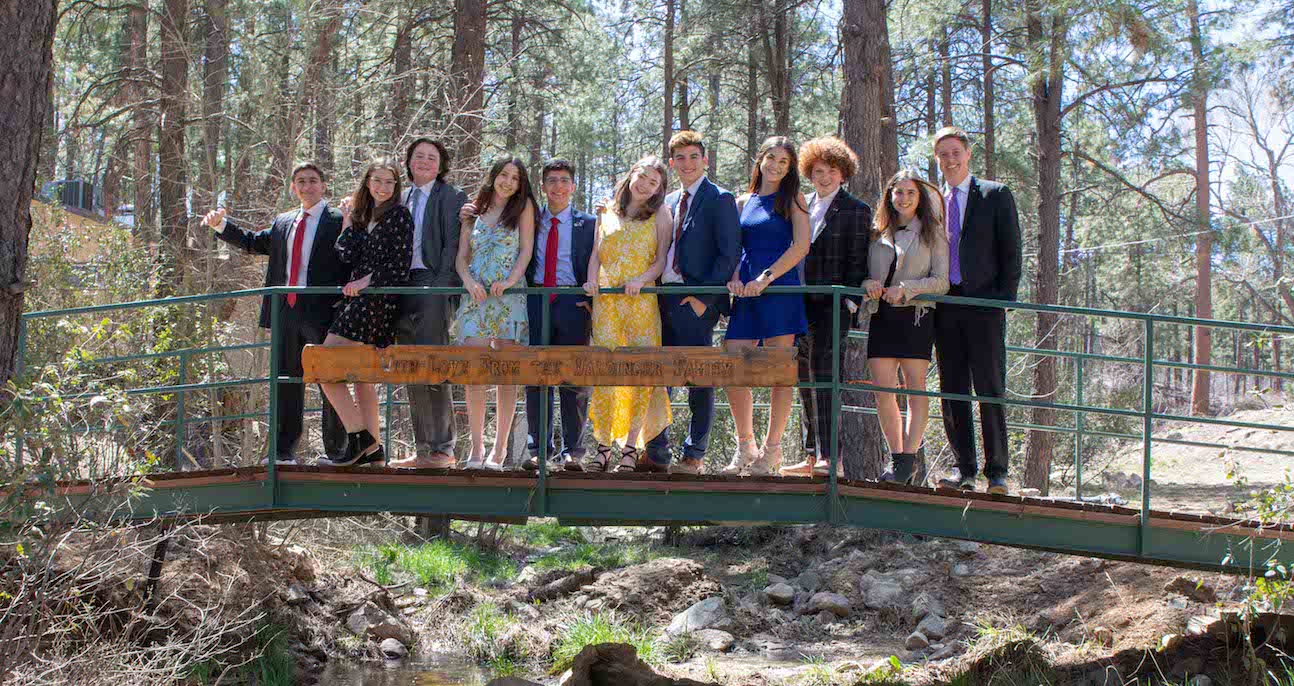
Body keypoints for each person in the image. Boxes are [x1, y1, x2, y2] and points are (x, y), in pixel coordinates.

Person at [203, 162, 348, 466]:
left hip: (324, 312)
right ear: (293, 188)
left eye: (313, 181)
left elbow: (353, 254)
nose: (307, 186)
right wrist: (221, 226)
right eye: (300, 182)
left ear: (323, 186)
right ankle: (283, 452)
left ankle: (337, 451)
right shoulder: (284, 222)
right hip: (286, 312)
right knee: (286, 381)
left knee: (330, 380)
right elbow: (254, 243)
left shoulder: (339, 219)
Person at [644, 131, 742, 475]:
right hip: (662, 297)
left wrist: (703, 301)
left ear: (705, 160)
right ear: (672, 163)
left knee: (698, 378)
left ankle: (694, 454)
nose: (687, 163)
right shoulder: (667, 200)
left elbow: (729, 254)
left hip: (694, 301)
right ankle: (657, 452)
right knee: (660, 375)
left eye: (693, 156)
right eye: (680, 158)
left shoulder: (720, 198)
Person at [932, 126, 1022, 495]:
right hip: (945, 303)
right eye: (943, 155)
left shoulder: (994, 194)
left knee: (989, 386)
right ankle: (963, 469)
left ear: (967, 154)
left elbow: (1011, 251)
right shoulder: (934, 200)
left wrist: (1001, 300)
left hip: (984, 305)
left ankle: (997, 471)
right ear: (937, 160)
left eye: (955, 152)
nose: (950, 160)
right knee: (952, 388)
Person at [779, 137, 872, 478]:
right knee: (803, 377)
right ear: (809, 173)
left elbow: (857, 261)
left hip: (831, 306)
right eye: (818, 171)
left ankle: (831, 457)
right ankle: (809, 454)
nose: (825, 177)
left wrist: (848, 302)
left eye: (832, 171)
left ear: (843, 174)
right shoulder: (804, 206)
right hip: (799, 304)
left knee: (826, 378)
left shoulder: (856, 210)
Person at [316, 158, 415, 466]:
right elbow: (345, 252)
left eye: (389, 182)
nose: (383, 187)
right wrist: (348, 217)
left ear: (396, 186)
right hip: (357, 299)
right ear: (367, 183)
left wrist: (365, 281)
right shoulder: (363, 215)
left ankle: (360, 436)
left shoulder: (400, 215)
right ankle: (372, 451)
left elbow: (398, 266)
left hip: (377, 300)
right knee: (360, 375)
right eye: (377, 181)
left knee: (324, 365)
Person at [721, 137, 809, 476]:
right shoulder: (744, 201)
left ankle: (772, 452)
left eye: (783, 162)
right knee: (734, 361)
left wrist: (766, 278)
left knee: (778, 372)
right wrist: (733, 277)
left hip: (779, 290)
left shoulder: (793, 200)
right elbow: (736, 248)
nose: (775, 165)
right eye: (770, 157)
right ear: (760, 160)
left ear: (790, 169)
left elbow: (801, 246)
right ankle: (746, 446)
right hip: (746, 294)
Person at [584, 156, 675, 472]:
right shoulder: (606, 210)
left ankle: (630, 449)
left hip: (640, 302)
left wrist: (641, 280)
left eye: (654, 182)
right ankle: (603, 447)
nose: (646, 185)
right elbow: (596, 254)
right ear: (632, 174)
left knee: (640, 372)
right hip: (607, 304)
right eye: (643, 176)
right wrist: (591, 278)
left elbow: (661, 260)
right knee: (606, 372)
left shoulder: (661, 214)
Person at [388, 138, 469, 471]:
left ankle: (443, 448)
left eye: (431, 157)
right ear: (408, 162)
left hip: (432, 284)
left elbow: (452, 247)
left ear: (441, 164)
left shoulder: (452, 197)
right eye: (418, 156)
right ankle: (423, 449)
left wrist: (441, 289)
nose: (424, 162)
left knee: (434, 364)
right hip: (398, 286)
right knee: (410, 367)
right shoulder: (398, 197)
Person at [863, 170, 949, 484]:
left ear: (919, 197)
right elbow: (863, 273)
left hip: (916, 316)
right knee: (884, 391)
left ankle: (907, 460)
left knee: (914, 389)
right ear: (889, 196)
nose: (904, 198)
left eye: (910, 193)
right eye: (898, 192)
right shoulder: (877, 232)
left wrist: (908, 289)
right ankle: (895, 456)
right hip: (882, 315)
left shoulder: (932, 232)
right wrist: (868, 284)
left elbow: (942, 282)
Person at [451, 157, 537, 470]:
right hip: (476, 296)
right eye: (504, 175)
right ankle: (475, 448)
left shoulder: (523, 207)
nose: (508, 182)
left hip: (508, 294)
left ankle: (498, 452)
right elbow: (462, 258)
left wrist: (511, 281)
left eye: (515, 178)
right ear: (494, 176)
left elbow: (526, 250)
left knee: (506, 374)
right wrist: (470, 282)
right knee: (474, 373)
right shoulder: (472, 210)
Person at [521, 160, 596, 472]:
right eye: (551, 180)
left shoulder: (589, 224)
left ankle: (573, 452)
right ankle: (539, 450)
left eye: (564, 180)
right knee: (536, 376)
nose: (558, 186)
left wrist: (590, 301)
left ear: (573, 186)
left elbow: (598, 264)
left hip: (572, 302)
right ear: (543, 186)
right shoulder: (529, 220)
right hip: (537, 300)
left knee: (573, 377)